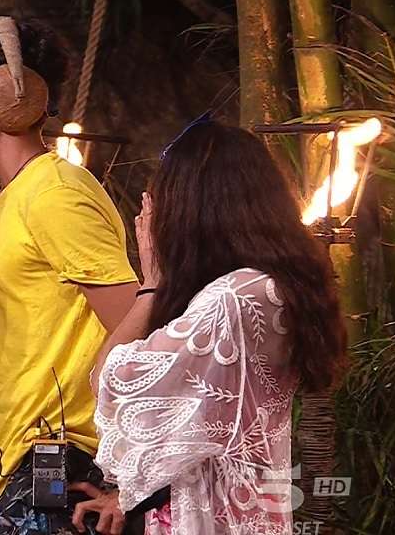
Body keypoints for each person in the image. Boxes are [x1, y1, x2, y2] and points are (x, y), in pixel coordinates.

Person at [81, 120, 347, 534]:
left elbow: (113, 381)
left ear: (191, 210)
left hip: (215, 514)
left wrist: (151, 285)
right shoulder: (270, 287)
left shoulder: (233, 298)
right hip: (250, 507)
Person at [0, 17, 140, 534]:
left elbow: (140, 335)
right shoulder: (9, 196)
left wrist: (132, 480)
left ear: (9, 95)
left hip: (56, 462)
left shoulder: (55, 194)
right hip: (8, 469)